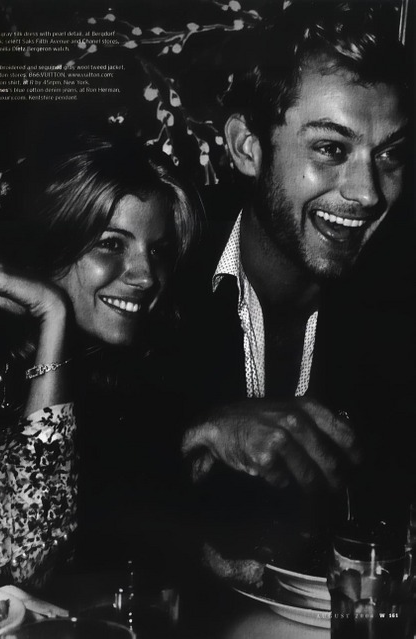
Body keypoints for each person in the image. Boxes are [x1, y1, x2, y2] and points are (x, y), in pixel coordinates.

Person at [178, 0, 415, 576]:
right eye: (331, 149)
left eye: (390, 155)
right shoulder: (160, 276)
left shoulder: (397, 307)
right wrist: (196, 438)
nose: (367, 193)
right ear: (247, 147)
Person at [0, 131, 201, 588]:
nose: (146, 276)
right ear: (52, 240)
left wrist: (51, 315)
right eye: (111, 244)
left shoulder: (116, 378)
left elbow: (33, 561)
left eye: (158, 251)